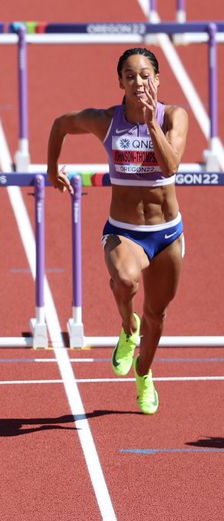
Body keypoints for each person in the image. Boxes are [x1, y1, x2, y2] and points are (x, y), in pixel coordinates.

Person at [47, 47, 188, 415]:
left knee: (158, 315)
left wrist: (150, 122)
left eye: (145, 75)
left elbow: (170, 165)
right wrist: (51, 168)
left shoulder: (173, 116)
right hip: (124, 231)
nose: (138, 82)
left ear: (157, 80)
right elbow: (61, 123)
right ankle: (128, 328)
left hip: (167, 233)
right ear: (120, 82)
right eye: (130, 76)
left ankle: (144, 373)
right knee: (125, 281)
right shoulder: (107, 120)